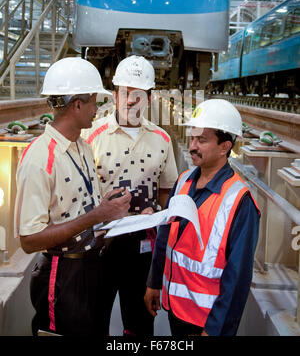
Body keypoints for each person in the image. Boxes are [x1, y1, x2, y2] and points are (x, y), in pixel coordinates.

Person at [14, 57, 131, 337]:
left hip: (89, 268)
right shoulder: (40, 158)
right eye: (93, 101)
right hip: (61, 277)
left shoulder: (82, 146)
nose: (97, 109)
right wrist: (97, 216)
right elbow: (29, 240)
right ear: (77, 105)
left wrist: (108, 214)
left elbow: (82, 208)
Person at [144, 98, 260, 337]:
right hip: (175, 309)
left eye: (202, 140)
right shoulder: (184, 180)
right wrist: (154, 281)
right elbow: (166, 236)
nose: (193, 145)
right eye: (192, 137)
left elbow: (237, 278)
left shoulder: (239, 201)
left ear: (224, 146)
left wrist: (216, 329)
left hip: (206, 322)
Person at [82, 55, 178, 337]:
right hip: (100, 244)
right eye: (125, 93)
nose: (131, 101)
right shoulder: (92, 136)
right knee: (93, 317)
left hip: (142, 248)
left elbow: (165, 189)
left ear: (148, 98)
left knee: (139, 323)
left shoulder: (162, 139)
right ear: (114, 95)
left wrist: (161, 220)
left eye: (138, 95)